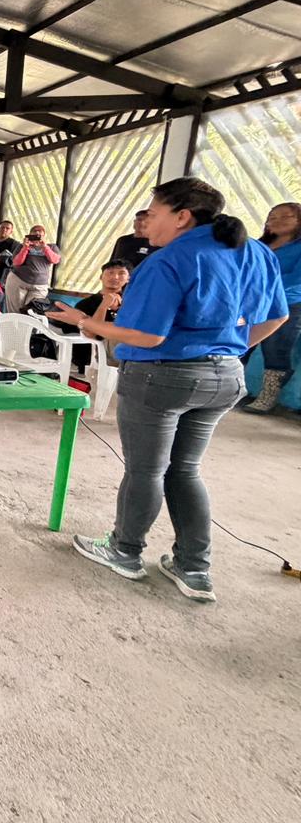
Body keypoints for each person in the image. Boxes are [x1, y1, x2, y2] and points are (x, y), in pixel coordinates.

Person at [47, 177, 287, 603]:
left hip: (161, 379)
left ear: (182, 216)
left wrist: (83, 321)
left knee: (146, 471)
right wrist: (226, 349)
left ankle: (124, 551)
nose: (146, 224)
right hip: (224, 377)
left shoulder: (170, 260)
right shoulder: (255, 251)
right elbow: (276, 317)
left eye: (154, 214)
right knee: (186, 469)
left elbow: (147, 336)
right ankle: (194, 568)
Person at [242, 201, 301, 413]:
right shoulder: (259, 245)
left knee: (276, 348)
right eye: (272, 217)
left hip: (288, 303)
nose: (276, 221)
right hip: (252, 301)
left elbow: (296, 279)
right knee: (240, 342)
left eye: (285, 216)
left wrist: (262, 286)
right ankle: (234, 387)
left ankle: (267, 397)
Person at [71, 259, 130, 366]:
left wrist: (121, 308)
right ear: (101, 277)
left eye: (121, 273)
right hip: (96, 354)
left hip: (125, 349)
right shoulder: (85, 304)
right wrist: (104, 305)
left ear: (128, 279)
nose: (115, 277)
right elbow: (91, 333)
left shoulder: (132, 303)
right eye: (110, 272)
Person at [4, 224, 61, 313]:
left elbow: (55, 260)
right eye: (34, 231)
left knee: (32, 312)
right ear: (30, 235)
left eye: (40, 231)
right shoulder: (22, 246)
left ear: (44, 235)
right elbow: (16, 263)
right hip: (18, 280)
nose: (37, 232)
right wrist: (25, 248)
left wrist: (44, 247)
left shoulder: (52, 247)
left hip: (40, 285)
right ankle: (13, 323)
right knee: (15, 311)